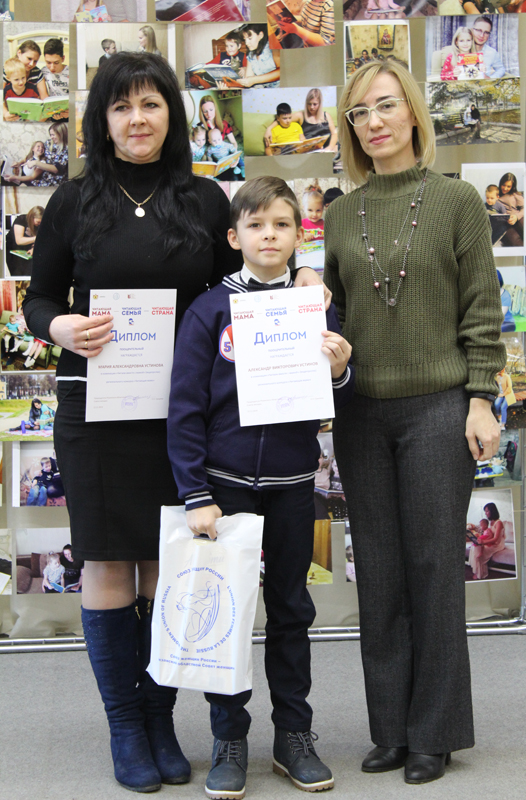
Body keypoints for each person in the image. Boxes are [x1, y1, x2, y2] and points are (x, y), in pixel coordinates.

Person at [22, 52, 324, 794]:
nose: (137, 119)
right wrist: (59, 327)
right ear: (102, 118)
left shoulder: (204, 199)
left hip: (185, 418)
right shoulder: (73, 200)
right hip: (95, 410)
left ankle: (161, 720)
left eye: (151, 104)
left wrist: (306, 280)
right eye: (122, 106)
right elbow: (39, 297)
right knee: (106, 562)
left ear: (171, 114)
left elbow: (243, 282)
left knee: (167, 566)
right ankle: (127, 726)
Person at [325, 59, 505, 784]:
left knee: (432, 570)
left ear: (412, 113)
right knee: (379, 573)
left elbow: (482, 307)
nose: (374, 122)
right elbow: (336, 316)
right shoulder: (339, 214)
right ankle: (392, 730)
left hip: (437, 408)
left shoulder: (457, 200)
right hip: (360, 415)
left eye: (386, 106)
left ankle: (434, 732)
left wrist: (480, 397)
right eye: (360, 113)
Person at [168, 176, 354, 800]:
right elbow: (185, 408)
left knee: (292, 611)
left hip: (293, 483)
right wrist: (196, 493)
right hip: (225, 491)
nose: (268, 235)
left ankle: (293, 737)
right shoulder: (209, 309)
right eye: (255, 225)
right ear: (234, 236)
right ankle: (229, 739)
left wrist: (340, 370)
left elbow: (338, 396)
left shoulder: (313, 305)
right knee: (227, 612)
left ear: (299, 235)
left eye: (281, 224)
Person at [264, 88, 337, 153]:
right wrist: (269, 129)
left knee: (336, 148)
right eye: (309, 104)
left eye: (315, 104)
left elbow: (334, 133)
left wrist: (330, 147)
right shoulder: (301, 115)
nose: (311, 107)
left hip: (329, 147)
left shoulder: (326, 115)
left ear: (320, 104)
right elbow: (282, 119)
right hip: (312, 150)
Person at [468, 503, 507, 579]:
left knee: (478, 549)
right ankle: (477, 571)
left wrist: (483, 542)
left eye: (487, 511)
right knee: (475, 547)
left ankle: (481, 574)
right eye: (485, 511)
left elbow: (496, 539)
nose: (485, 513)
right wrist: (480, 539)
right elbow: (489, 534)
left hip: (498, 544)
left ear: (492, 511)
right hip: (491, 541)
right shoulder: (491, 522)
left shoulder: (499, 523)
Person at [6, 204, 44, 275]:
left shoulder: (40, 225)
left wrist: (33, 248)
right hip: (13, 251)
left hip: (27, 253)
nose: (39, 224)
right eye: (38, 222)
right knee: (18, 272)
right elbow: (19, 241)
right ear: (32, 217)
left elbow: (40, 241)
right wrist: (36, 238)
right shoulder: (21, 219)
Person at [497, 172, 524, 246]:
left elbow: (525, 208)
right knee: (515, 241)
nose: (505, 188)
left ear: (512, 187)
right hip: (505, 223)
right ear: (500, 183)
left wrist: (516, 217)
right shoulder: (496, 194)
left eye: (508, 186)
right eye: (503, 185)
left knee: (525, 228)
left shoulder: (514, 194)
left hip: (517, 218)